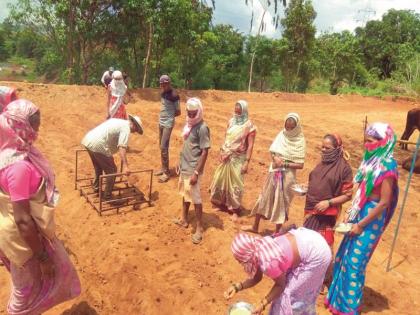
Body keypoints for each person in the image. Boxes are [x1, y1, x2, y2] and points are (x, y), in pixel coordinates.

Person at [0, 99, 81, 314]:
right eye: (34, 124)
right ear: (21, 127)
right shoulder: (18, 168)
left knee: (31, 285)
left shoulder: (10, 153)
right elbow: (23, 219)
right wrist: (42, 258)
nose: (38, 129)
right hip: (22, 240)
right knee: (24, 291)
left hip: (18, 234)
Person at [325, 123, 399, 315]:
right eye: (365, 140)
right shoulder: (371, 160)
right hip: (361, 212)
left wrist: (359, 225)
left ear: (383, 141)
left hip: (371, 219)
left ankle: (349, 309)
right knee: (344, 257)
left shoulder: (387, 165)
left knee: (355, 263)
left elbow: (383, 202)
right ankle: (337, 303)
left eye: (371, 141)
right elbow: (361, 185)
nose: (367, 144)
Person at [225, 228, 331, 314]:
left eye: (240, 260)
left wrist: (262, 304)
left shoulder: (268, 262)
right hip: (308, 240)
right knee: (282, 297)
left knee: (291, 297)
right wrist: (237, 287)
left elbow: (280, 285)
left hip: (317, 255)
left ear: (247, 256)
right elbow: (257, 278)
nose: (239, 263)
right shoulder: (258, 248)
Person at [242, 113, 306, 234]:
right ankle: (255, 227)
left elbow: (300, 165)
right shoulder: (282, 134)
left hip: (288, 176)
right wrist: (275, 158)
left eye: (291, 127)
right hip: (274, 171)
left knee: (282, 203)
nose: (288, 129)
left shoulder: (300, 140)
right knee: (264, 197)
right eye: (287, 126)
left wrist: (284, 164)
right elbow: (273, 151)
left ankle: (277, 232)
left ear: (296, 127)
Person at [209, 100, 256, 221]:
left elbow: (250, 146)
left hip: (238, 158)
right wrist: (222, 150)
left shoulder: (249, 126)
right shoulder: (231, 121)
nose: (237, 113)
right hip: (226, 155)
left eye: (239, 111)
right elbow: (226, 137)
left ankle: (234, 209)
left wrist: (247, 162)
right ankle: (220, 203)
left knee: (236, 184)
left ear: (244, 111)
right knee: (220, 179)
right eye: (235, 110)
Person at [173, 98, 210, 244]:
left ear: (199, 112)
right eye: (189, 113)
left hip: (193, 168)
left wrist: (196, 172)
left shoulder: (202, 128)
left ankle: (199, 228)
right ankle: (184, 219)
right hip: (185, 165)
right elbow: (186, 145)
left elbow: (205, 151)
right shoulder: (189, 125)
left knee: (195, 198)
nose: (191, 115)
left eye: (194, 113)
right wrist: (179, 162)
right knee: (185, 194)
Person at [81, 114, 143, 200]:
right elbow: (121, 147)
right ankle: (108, 197)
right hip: (98, 144)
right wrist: (125, 166)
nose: (134, 132)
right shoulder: (126, 129)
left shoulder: (118, 121)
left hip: (89, 139)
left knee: (98, 167)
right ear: (133, 125)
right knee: (112, 171)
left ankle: (96, 188)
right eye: (136, 129)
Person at [155, 74, 181, 183]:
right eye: (162, 84)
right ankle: (163, 167)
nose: (163, 86)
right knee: (161, 146)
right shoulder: (162, 93)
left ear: (169, 83)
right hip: (161, 122)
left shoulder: (174, 95)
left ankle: (166, 173)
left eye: (165, 84)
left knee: (164, 146)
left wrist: (169, 117)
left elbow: (178, 111)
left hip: (168, 123)